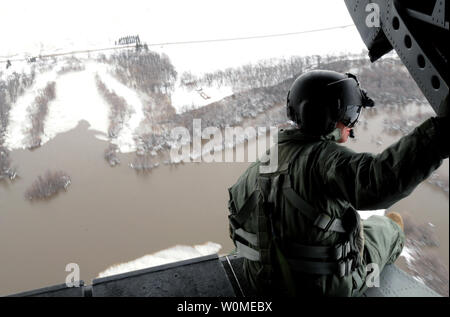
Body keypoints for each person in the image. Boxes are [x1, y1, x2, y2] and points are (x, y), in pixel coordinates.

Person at [227, 70, 449, 297]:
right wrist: (440, 132)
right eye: (351, 115)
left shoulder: (258, 167)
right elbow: (381, 180)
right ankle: (393, 231)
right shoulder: (325, 159)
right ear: (328, 117)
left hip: (261, 283)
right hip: (323, 289)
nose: (352, 123)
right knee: (388, 227)